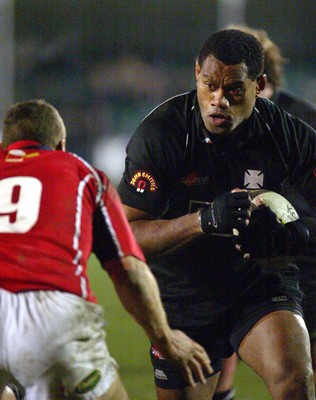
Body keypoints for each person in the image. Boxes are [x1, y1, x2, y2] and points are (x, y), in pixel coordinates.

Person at [117, 29, 316, 400]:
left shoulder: (284, 131)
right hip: (183, 295)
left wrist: (301, 232)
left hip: (257, 283)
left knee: (295, 381)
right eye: (209, 85)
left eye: (234, 89)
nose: (218, 100)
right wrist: (203, 221)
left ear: (259, 85)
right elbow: (126, 236)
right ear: (197, 73)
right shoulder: (163, 133)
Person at [0, 99, 213, 400]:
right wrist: (165, 339)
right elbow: (129, 269)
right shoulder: (82, 174)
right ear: (61, 144)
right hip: (52, 313)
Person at [212, 25, 316, 400]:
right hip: (231, 248)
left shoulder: (299, 122)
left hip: (296, 254)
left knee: (299, 364)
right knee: (220, 349)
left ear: (261, 79)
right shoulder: (214, 119)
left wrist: (293, 228)